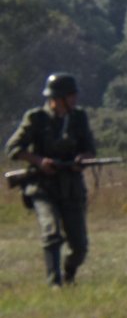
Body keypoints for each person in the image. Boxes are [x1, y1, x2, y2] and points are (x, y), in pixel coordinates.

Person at [6, 73, 99, 286]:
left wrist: (82, 159)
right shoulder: (36, 118)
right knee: (52, 233)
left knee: (79, 246)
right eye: (71, 95)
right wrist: (39, 161)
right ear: (58, 98)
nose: (75, 99)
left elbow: (90, 149)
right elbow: (13, 148)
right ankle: (54, 282)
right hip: (43, 187)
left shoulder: (78, 118)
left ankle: (69, 275)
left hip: (71, 187)